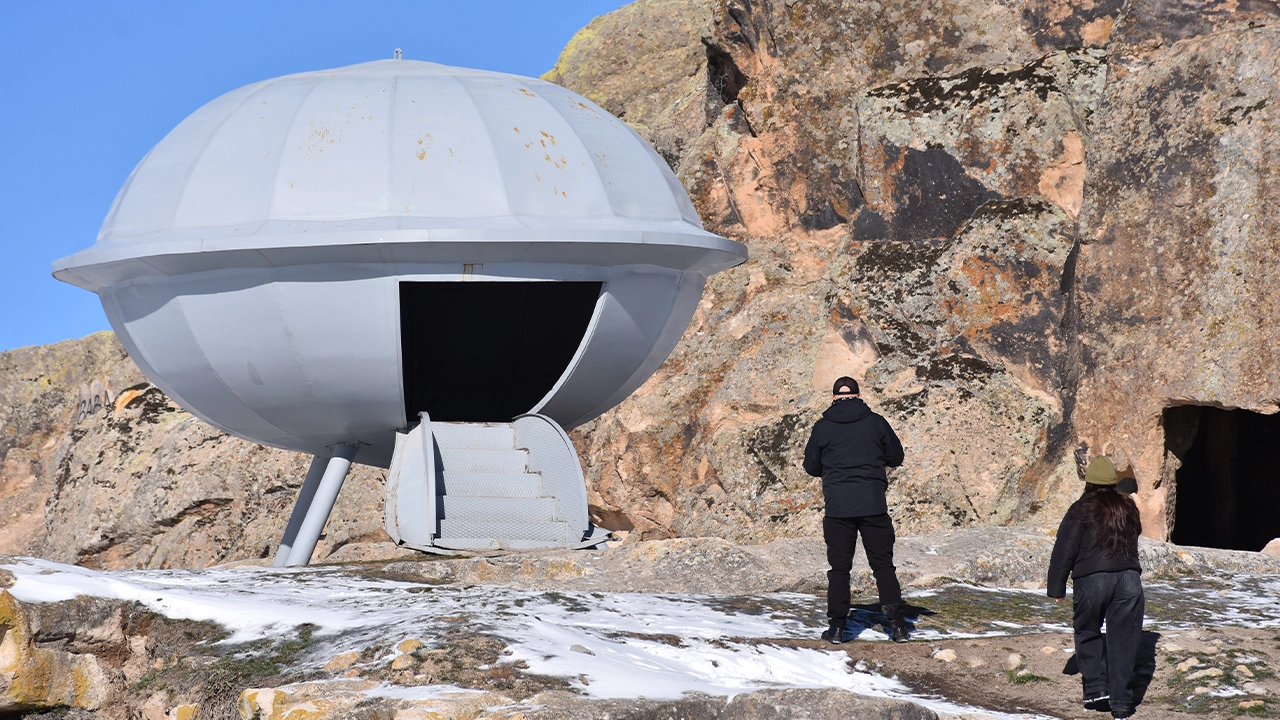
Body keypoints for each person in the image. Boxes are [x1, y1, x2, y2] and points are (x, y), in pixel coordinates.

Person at [803, 376, 908, 644]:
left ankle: (837, 629)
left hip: (838, 509)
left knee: (839, 569)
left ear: (833, 398)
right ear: (859, 396)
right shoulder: (876, 422)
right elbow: (896, 457)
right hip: (873, 505)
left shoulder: (823, 427)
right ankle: (897, 628)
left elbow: (811, 467)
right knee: (883, 566)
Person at [1047, 456, 1145, 719]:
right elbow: (1136, 533)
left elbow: (1064, 548)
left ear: (1089, 481)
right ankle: (1122, 703)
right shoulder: (1127, 506)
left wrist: (1057, 588)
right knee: (1124, 638)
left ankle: (1096, 688)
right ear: (1113, 482)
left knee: (1087, 629)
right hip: (1128, 579)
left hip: (1092, 579)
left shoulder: (1081, 508)